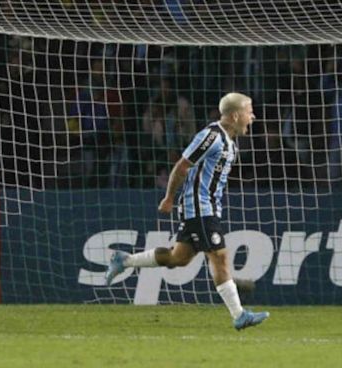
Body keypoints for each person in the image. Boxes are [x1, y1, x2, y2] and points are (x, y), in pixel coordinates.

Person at [106, 92, 270, 331]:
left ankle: (125, 260)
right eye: (249, 111)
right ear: (235, 115)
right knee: (219, 257)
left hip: (209, 207)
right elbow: (182, 166)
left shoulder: (230, 143)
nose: (252, 116)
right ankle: (239, 315)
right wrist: (169, 197)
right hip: (199, 207)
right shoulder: (211, 136)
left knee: (178, 258)